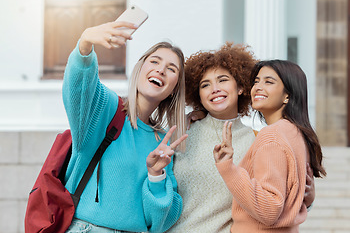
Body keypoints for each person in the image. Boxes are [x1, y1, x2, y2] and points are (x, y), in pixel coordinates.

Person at [166, 44, 315, 233]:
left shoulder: (258, 140)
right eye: (205, 85)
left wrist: (307, 201)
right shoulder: (180, 134)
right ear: (198, 95)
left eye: (223, 80)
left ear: (241, 87)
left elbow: (272, 204)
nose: (215, 89)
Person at [62, 20, 188, 233]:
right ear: (140, 68)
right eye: (154, 61)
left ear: (175, 88)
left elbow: (158, 222)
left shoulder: (164, 143)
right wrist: (84, 45)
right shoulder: (106, 108)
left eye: (171, 68)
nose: (160, 70)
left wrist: (156, 176)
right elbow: (78, 88)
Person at [214, 60, 326, 232]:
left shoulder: (272, 135)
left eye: (269, 81)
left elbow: (269, 210)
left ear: (287, 95)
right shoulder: (297, 134)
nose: (258, 87)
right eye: (256, 81)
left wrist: (227, 168)